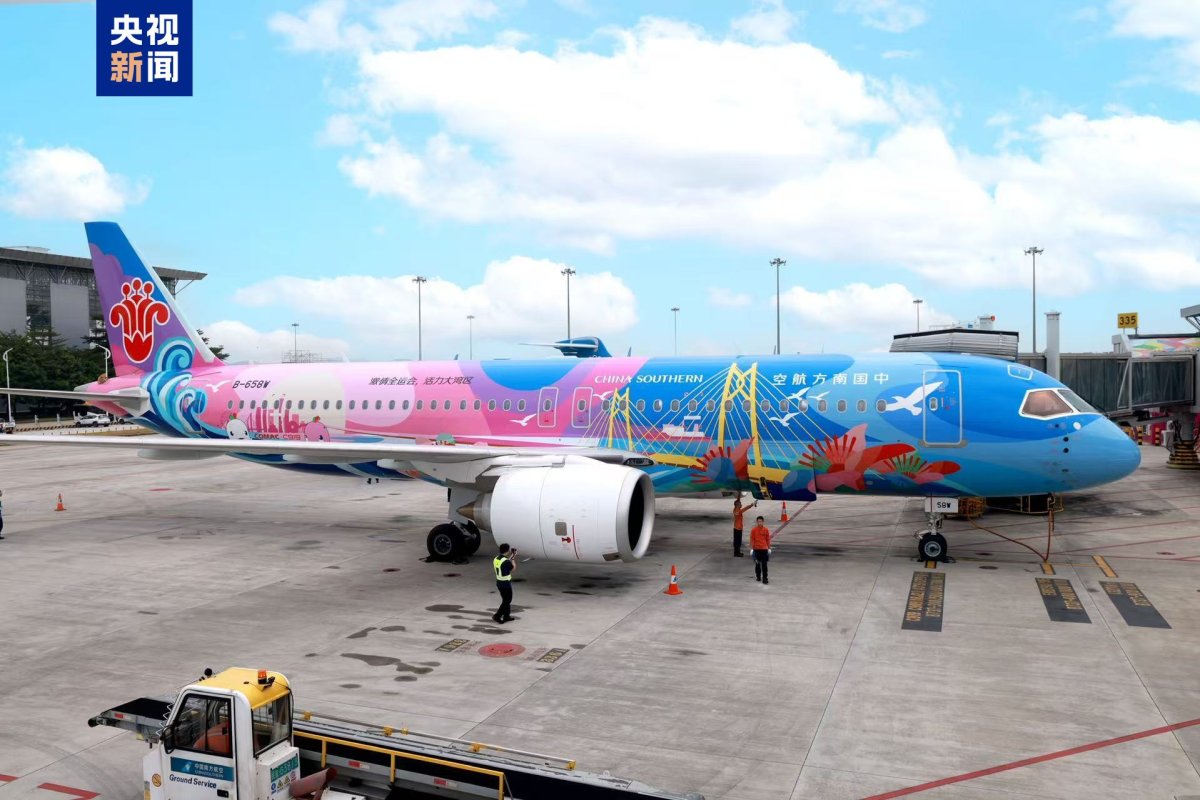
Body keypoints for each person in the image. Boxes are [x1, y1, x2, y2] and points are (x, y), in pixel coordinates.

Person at [491, 543, 517, 623]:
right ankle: (497, 616)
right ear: (507, 551)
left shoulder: (496, 559)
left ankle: (506, 616)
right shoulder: (506, 562)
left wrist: (511, 556)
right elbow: (513, 568)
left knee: (505, 600)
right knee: (507, 600)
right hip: (505, 584)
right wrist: (513, 558)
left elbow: (505, 562)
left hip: (499, 582)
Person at [749, 515, 771, 584]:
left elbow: (767, 539)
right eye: (758, 521)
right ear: (757, 522)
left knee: (764, 565)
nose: (760, 523)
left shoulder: (766, 530)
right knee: (757, 564)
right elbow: (752, 539)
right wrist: (751, 549)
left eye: (761, 521)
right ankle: (758, 576)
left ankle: (765, 578)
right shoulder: (754, 530)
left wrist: (769, 548)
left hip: (764, 549)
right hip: (757, 549)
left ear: (763, 522)